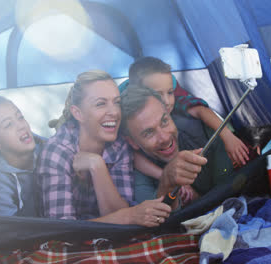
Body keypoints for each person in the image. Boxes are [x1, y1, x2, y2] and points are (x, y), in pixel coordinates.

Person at [36, 70, 171, 226]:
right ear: (78, 114)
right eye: (101, 104)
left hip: (103, 235)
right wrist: (128, 216)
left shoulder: (119, 146)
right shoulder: (57, 152)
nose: (114, 112)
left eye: (116, 102)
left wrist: (97, 166)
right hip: (66, 239)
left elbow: (122, 216)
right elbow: (61, 228)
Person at [120, 85, 234, 204]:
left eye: (164, 121)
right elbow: (157, 217)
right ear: (132, 142)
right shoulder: (135, 177)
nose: (164, 138)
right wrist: (166, 184)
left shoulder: (202, 130)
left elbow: (228, 188)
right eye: (148, 132)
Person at [127, 56, 249, 168]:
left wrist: (228, 137)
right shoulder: (128, 111)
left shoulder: (179, 101)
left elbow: (201, 110)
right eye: (158, 94)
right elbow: (132, 154)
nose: (167, 101)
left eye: (170, 92)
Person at [0, 96, 41, 217]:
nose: (21, 126)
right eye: (8, 125)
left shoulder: (50, 151)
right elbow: (11, 228)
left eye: (20, 117)